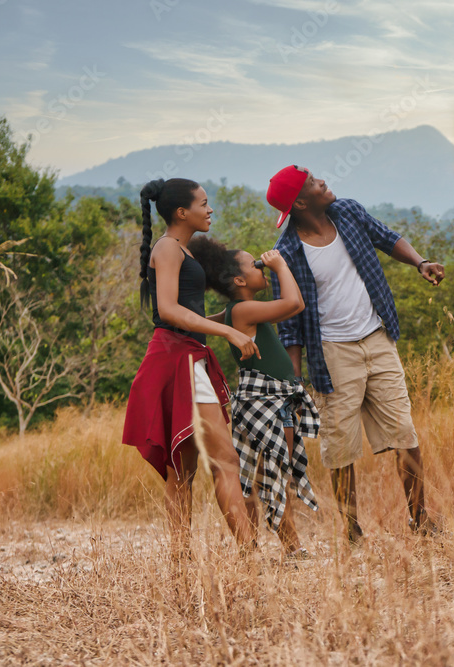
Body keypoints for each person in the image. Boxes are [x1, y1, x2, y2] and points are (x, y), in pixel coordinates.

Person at [266, 165, 445, 543]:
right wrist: (293, 383)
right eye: (313, 183)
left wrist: (420, 262)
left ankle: (420, 520)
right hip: (331, 354)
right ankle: (351, 531)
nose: (322, 182)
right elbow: (289, 325)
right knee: (340, 447)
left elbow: (387, 238)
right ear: (301, 203)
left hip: (378, 338)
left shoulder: (348, 211)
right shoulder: (287, 253)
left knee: (405, 433)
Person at [122, 178, 260, 554]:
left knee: (183, 473)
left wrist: (228, 318)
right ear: (182, 212)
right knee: (224, 461)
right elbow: (168, 311)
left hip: (184, 354)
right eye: (203, 203)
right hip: (177, 359)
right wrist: (226, 331)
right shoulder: (168, 247)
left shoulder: (181, 249)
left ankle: (181, 564)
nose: (210, 209)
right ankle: (251, 558)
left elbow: (188, 313)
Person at [188, 235, 319, 560]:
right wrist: (280, 265)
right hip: (268, 403)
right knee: (273, 477)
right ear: (240, 280)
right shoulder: (244, 310)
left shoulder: (235, 311)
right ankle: (292, 548)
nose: (263, 268)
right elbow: (295, 304)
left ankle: (255, 546)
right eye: (256, 265)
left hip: (263, 402)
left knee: (257, 476)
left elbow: (205, 323)